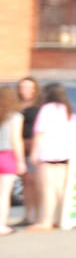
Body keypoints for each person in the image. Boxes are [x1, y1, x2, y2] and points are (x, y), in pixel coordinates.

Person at [28, 82, 76, 232]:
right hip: (64, 153)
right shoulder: (68, 110)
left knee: (47, 189)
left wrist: (34, 153)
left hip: (47, 152)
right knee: (60, 188)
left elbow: (40, 132)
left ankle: (46, 220)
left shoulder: (46, 109)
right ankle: (61, 218)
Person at [0, 85, 26, 234]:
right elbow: (16, 140)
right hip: (7, 156)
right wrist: (21, 161)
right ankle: (1, 225)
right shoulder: (15, 116)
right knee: (4, 194)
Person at [16, 76, 41, 227]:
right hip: (20, 147)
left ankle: (37, 215)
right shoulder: (16, 105)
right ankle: (27, 215)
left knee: (34, 182)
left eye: (29, 87)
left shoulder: (39, 107)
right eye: (23, 87)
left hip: (33, 147)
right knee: (25, 183)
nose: (25, 90)